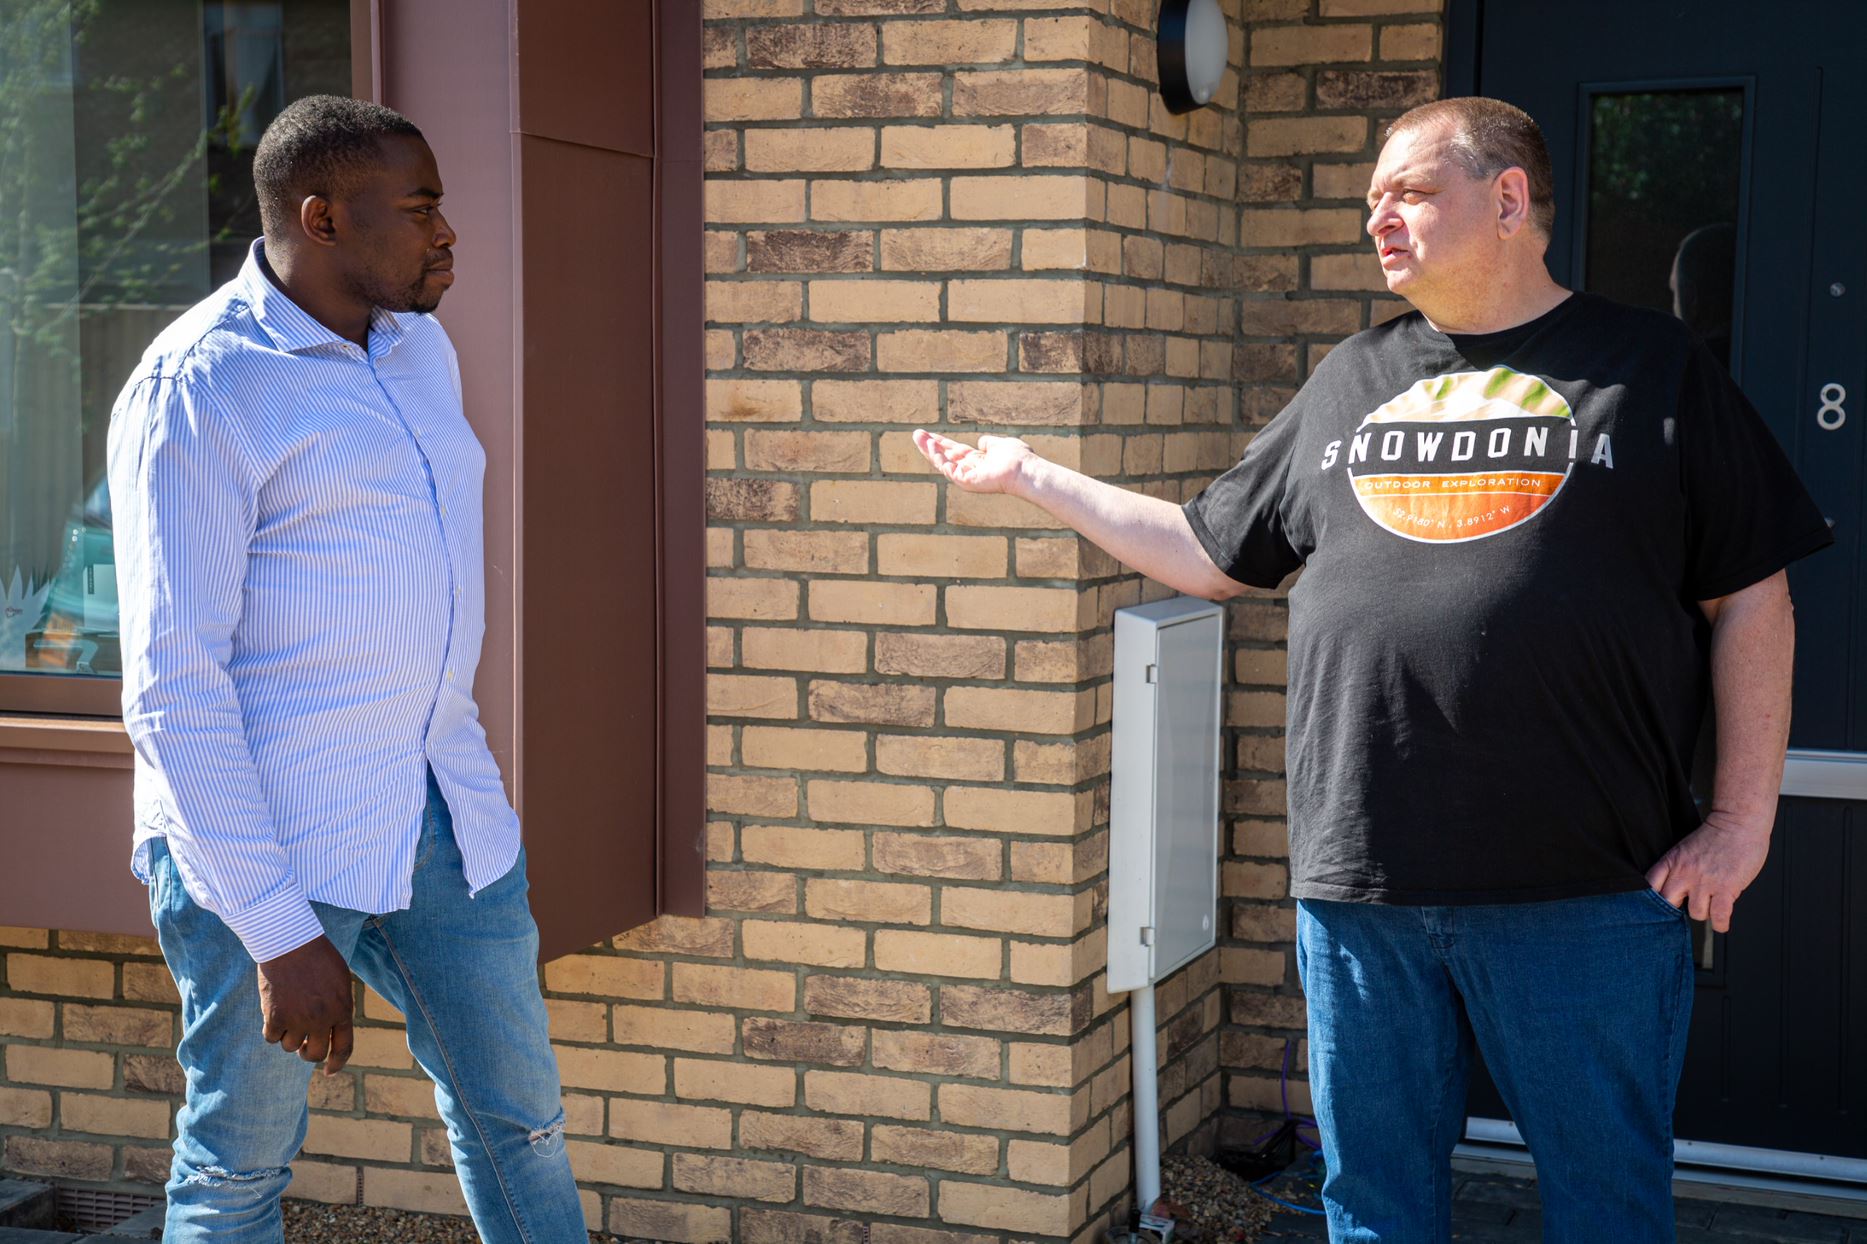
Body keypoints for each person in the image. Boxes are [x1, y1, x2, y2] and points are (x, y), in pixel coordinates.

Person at [914, 97, 1831, 1242]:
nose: (1377, 220)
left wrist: (1741, 821)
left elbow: (1752, 592)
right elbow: (1208, 552)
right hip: (1362, 891)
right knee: (1374, 1211)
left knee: (1607, 1207)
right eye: (1367, 203)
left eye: (1405, 191)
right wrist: (1034, 476)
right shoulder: (1353, 377)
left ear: (1507, 199)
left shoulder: (1649, 370)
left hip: (1586, 895)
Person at [107, 96, 585, 1243]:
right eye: (417, 209)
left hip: (442, 810)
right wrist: (276, 927)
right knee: (235, 1167)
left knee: (519, 1121)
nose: (445, 233)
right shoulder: (201, 387)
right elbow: (173, 685)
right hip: (268, 831)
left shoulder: (418, 346)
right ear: (319, 217)